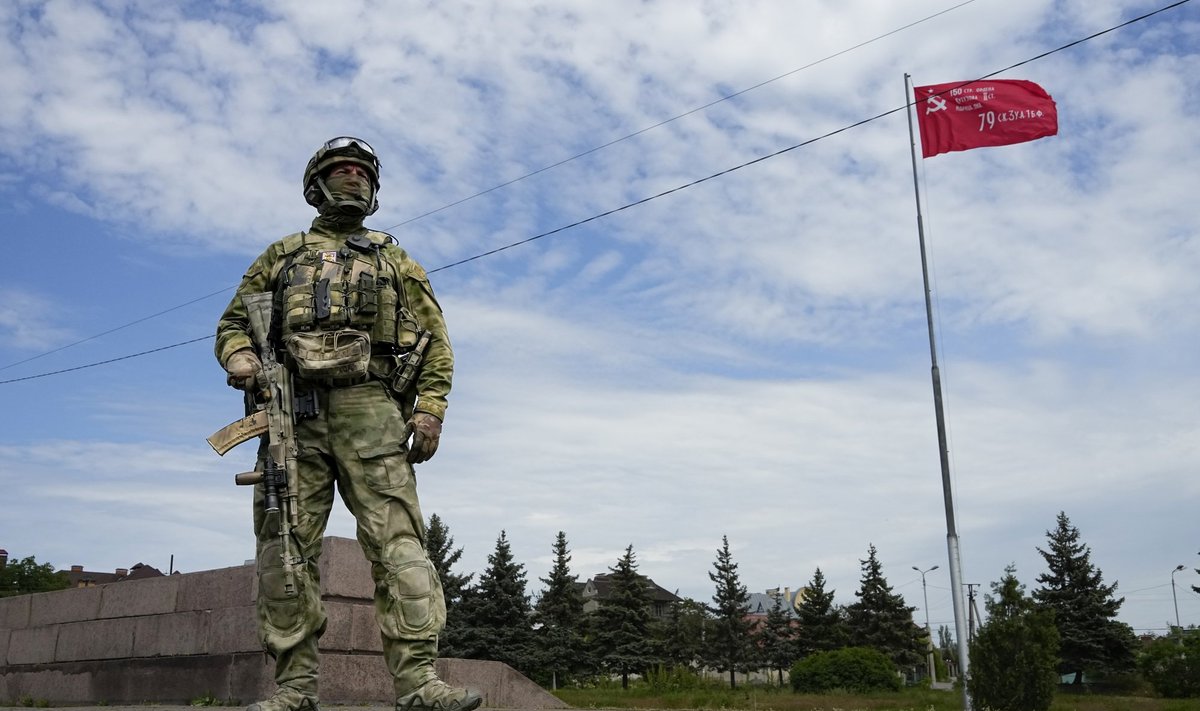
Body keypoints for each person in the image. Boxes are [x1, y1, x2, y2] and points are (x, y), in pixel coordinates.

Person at [215, 137, 480, 711]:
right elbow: (233, 323)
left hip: (372, 411)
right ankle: (295, 689)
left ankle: (419, 685)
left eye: (362, 171)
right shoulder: (281, 256)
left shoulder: (393, 258)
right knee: (284, 552)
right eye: (342, 170)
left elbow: (436, 342)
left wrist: (430, 409)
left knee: (400, 547)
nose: (354, 178)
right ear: (318, 184)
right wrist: (240, 358)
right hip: (293, 413)